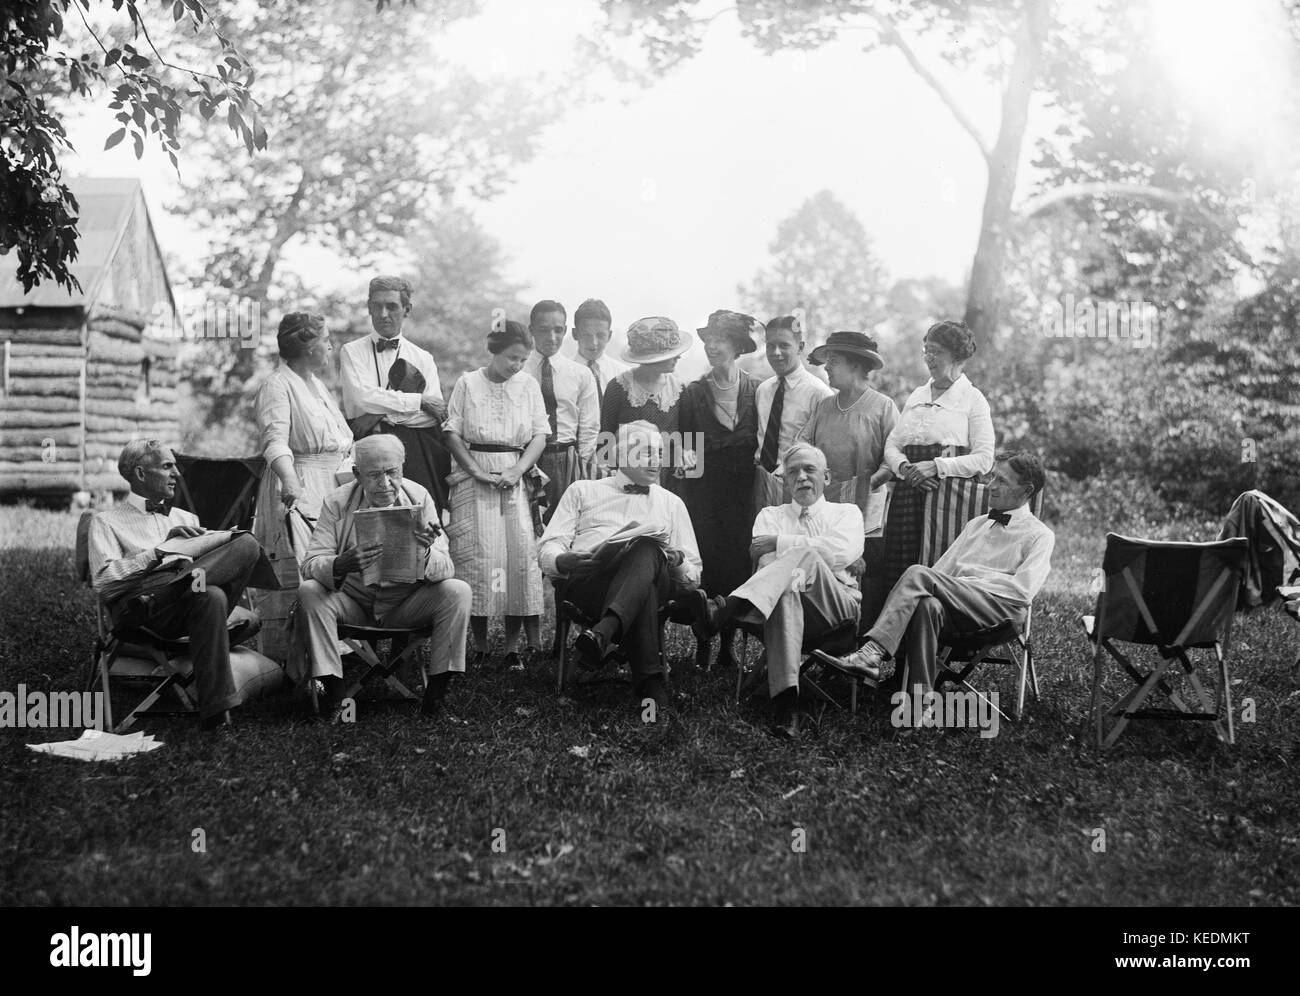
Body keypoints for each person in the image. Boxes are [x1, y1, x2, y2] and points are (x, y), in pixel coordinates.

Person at [816, 450, 1053, 696]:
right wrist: (953, 588)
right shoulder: (977, 524)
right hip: (957, 606)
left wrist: (967, 585)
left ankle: (872, 652)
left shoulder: (1039, 535)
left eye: (1002, 481)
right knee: (928, 605)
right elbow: (939, 573)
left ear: (1027, 490)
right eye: (992, 477)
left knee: (919, 573)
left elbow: (1023, 591)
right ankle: (921, 702)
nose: (991, 486)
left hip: (1001, 611)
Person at [87, 440, 269, 731]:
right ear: (141, 474)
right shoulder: (106, 522)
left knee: (243, 547)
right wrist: (160, 552)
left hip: (180, 602)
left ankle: (213, 715)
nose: (177, 475)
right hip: (141, 611)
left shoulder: (187, 519)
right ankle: (217, 715)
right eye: (167, 467)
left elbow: (213, 567)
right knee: (210, 597)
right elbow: (104, 584)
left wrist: (217, 541)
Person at [690, 443, 863, 739]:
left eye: (810, 469)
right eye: (793, 472)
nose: (802, 477)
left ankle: (726, 609)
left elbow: (842, 553)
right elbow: (767, 565)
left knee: (804, 558)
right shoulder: (769, 515)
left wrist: (781, 542)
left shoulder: (847, 513)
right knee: (786, 592)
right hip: (780, 605)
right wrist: (801, 547)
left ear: (828, 476)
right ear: (783, 481)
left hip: (835, 607)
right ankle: (787, 706)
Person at [298, 436, 472, 721]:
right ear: (356, 474)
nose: (386, 483)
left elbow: (446, 569)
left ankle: (435, 702)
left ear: (402, 468)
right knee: (309, 591)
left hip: (405, 607)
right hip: (354, 604)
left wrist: (425, 552)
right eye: (374, 475)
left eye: (392, 472)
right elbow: (310, 564)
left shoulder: (419, 497)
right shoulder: (337, 502)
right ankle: (337, 702)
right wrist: (340, 563)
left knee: (458, 591)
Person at [538, 421, 703, 720]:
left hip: (651, 578)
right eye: (646, 452)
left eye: (659, 453)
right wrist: (564, 560)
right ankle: (650, 687)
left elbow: (694, 576)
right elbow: (549, 546)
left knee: (646, 548)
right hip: (590, 583)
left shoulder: (672, 503)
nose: (657, 460)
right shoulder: (583, 490)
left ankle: (603, 633)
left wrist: (676, 560)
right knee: (645, 585)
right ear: (621, 455)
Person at [443, 319, 550, 670]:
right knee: (479, 558)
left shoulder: (528, 385)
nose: (517, 365)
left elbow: (539, 435)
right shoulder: (467, 383)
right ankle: (480, 644)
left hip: (514, 475)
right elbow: (452, 432)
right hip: (474, 476)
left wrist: (517, 471)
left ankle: (512, 647)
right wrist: (474, 471)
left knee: (516, 557)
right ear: (495, 350)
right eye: (511, 358)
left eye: (522, 359)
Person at [251, 312, 353, 661]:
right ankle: (299, 663)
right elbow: (274, 441)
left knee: (335, 567)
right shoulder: (277, 384)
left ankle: (336, 650)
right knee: (303, 570)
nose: (330, 346)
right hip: (301, 486)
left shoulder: (315, 384)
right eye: (325, 340)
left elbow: (339, 442)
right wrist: (290, 480)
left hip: (334, 487)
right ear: (307, 347)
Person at [877, 320, 995, 608]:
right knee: (898, 567)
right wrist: (905, 469)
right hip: (907, 494)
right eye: (926, 351)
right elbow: (892, 444)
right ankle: (894, 647)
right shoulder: (917, 396)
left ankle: (931, 644)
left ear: (957, 356)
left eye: (936, 352)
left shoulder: (972, 399)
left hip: (947, 501)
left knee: (935, 571)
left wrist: (936, 466)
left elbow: (985, 458)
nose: (928, 358)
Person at [678, 309, 760, 670]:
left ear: (736, 346)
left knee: (736, 566)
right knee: (708, 565)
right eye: (709, 340)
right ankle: (702, 645)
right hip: (705, 494)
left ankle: (728, 645)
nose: (712, 346)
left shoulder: (758, 390)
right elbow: (686, 449)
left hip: (743, 493)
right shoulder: (694, 393)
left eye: (721, 340)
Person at [339, 275, 452, 516]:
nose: (383, 314)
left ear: (406, 309)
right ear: (369, 307)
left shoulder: (423, 357)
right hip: (364, 445)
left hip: (412, 450)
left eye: (391, 306)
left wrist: (377, 415)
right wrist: (418, 401)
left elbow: (433, 416)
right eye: (377, 306)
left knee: (416, 520)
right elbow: (362, 396)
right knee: (364, 522)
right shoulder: (351, 352)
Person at [798, 330, 899, 532]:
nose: (826, 367)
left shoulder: (883, 407)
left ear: (855, 365)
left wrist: (866, 486)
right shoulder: (824, 406)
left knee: (862, 561)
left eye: (834, 361)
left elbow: (893, 457)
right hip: (823, 506)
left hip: (866, 506)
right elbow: (803, 446)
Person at [524, 299, 599, 521]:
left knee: (566, 523)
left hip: (566, 459)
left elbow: (589, 426)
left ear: (566, 330)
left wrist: (582, 468)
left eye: (558, 330)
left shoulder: (580, 374)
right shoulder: (519, 372)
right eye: (544, 330)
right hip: (527, 459)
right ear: (532, 331)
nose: (552, 337)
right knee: (529, 523)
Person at [753, 315, 833, 511]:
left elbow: (822, 447)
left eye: (784, 345)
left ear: (800, 346)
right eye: (770, 346)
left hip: (799, 485)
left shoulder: (819, 393)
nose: (776, 353)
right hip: (761, 481)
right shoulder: (763, 390)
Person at [599, 316, 690, 451]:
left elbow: (688, 439)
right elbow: (605, 439)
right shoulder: (619, 387)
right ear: (653, 358)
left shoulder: (678, 389)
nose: (678, 357)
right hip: (629, 469)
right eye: (671, 353)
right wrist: (607, 470)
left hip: (669, 469)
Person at [572, 298, 628, 417]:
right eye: (586, 335)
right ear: (575, 334)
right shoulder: (561, 373)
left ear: (609, 335)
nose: (593, 343)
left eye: (601, 335)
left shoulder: (624, 375)